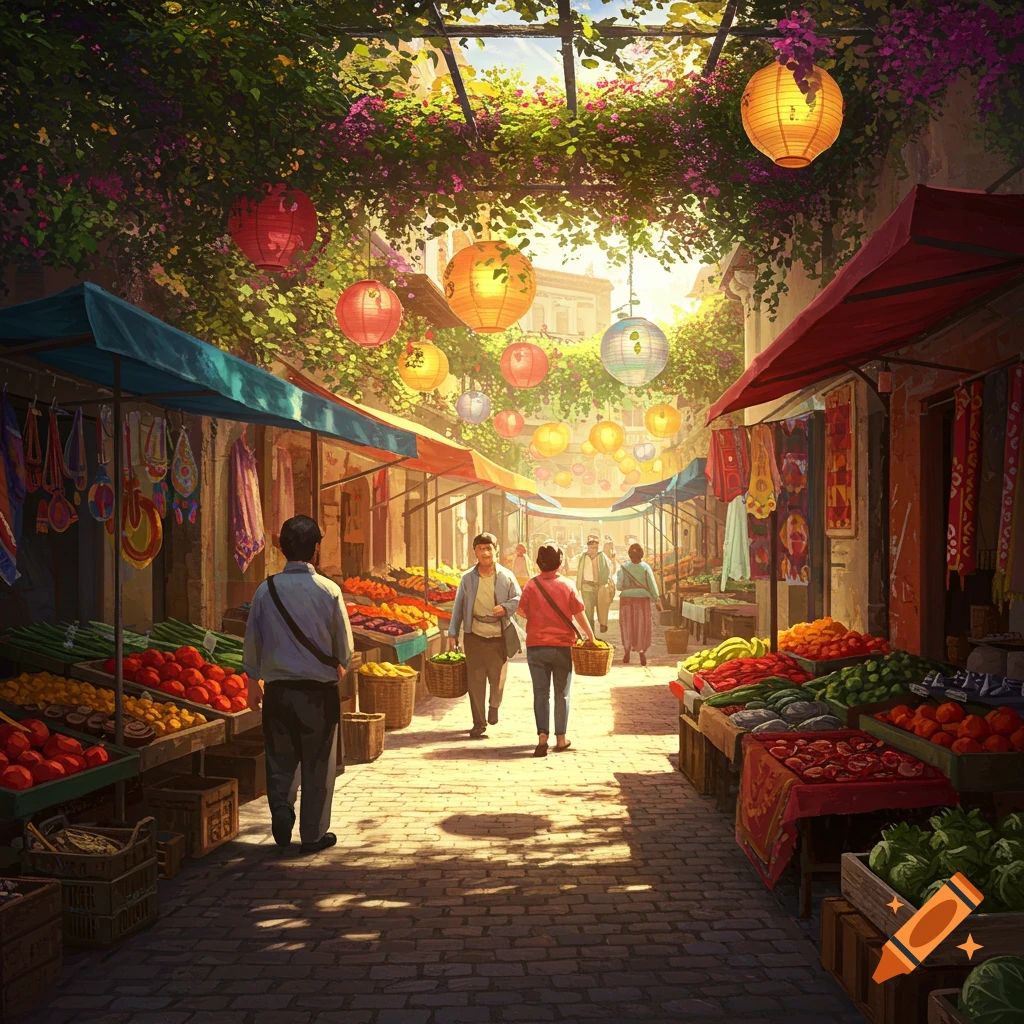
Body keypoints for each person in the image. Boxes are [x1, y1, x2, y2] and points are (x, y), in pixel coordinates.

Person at [243, 515, 353, 854]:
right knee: (318, 764)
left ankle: (281, 809)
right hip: (318, 693)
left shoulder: (266, 590)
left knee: (280, 757)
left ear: (281, 548)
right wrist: (341, 665)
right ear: (316, 548)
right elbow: (344, 649)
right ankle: (313, 834)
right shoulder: (329, 590)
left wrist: (252, 679)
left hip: (278, 691)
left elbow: (252, 641)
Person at [518, 544, 595, 757]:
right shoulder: (567, 585)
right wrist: (591, 636)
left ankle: (542, 737)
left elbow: (522, 611)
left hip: (536, 646)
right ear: (560, 563)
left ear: (538, 563)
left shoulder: (531, 585)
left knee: (540, 693)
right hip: (562, 647)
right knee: (562, 693)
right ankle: (561, 738)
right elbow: (579, 613)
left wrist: (539, 617)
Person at [447, 532, 523, 738]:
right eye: (481, 549)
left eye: (489, 548)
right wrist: (453, 633)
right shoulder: (467, 578)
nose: (485, 553)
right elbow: (459, 606)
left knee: (497, 679)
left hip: (499, 635)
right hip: (474, 635)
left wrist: (505, 608)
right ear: (475, 552)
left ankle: (494, 705)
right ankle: (479, 722)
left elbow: (518, 598)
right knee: (475, 681)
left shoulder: (506, 576)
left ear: (495, 551)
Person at [615, 542, 663, 667]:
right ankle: (642, 652)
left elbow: (618, 586)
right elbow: (652, 586)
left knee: (627, 625)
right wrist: (656, 599)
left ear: (629, 555)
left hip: (626, 600)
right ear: (641, 554)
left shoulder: (624, 567)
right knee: (641, 625)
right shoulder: (646, 567)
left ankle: (627, 651)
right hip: (642, 600)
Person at [576, 534, 613, 634]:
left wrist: (604, 583)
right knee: (588, 612)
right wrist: (578, 585)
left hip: (599, 587)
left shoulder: (602, 556)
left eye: (594, 547)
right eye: (590, 546)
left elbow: (607, 570)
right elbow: (580, 571)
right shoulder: (583, 557)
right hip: (586, 587)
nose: (592, 549)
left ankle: (603, 624)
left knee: (602, 609)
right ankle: (591, 634)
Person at [598, 541, 619, 631]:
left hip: (609, 584)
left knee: (606, 604)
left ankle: (603, 622)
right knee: (604, 605)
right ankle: (603, 623)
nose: (610, 550)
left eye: (611, 548)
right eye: (609, 548)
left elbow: (613, 571)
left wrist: (613, 560)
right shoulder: (601, 557)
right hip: (603, 584)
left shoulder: (610, 559)